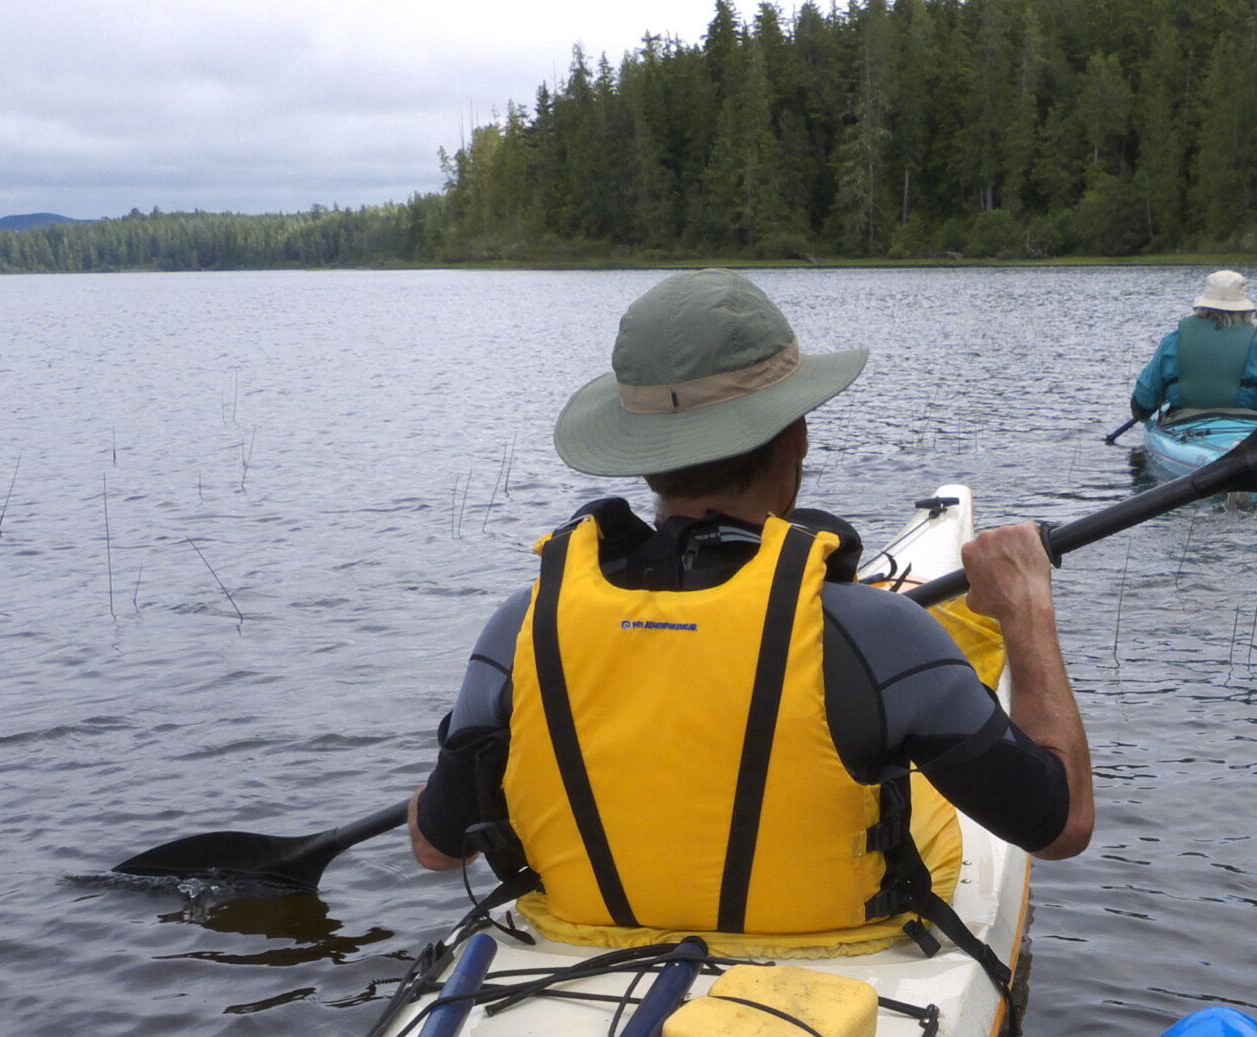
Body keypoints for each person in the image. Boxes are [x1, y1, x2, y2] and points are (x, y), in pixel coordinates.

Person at [407, 269, 1092, 983]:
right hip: (833, 967)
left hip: (579, 946)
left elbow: (435, 847)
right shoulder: (882, 634)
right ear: (795, 436)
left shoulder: (520, 627)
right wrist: (1027, 612)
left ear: (642, 456)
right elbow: (1062, 825)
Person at [1128, 269, 1257, 419]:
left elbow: (1144, 400)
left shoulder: (1174, 340)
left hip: (1184, 421)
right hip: (1247, 423)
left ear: (1203, 306)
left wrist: (1143, 411)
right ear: (1243, 308)